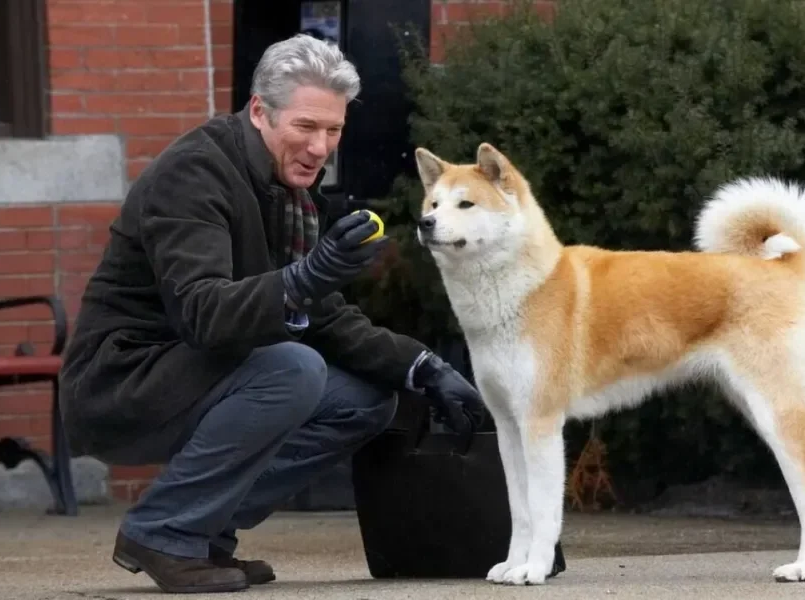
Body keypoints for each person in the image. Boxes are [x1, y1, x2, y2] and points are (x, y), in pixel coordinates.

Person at [56, 33, 485, 594]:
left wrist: (422, 366)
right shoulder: (195, 174)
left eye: (333, 131)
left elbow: (323, 313)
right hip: (122, 385)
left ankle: (205, 531)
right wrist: (307, 277)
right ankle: (163, 531)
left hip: (195, 376)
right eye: (305, 127)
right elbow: (204, 315)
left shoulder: (285, 186)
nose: (320, 147)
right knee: (292, 369)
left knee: (366, 400)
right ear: (260, 111)